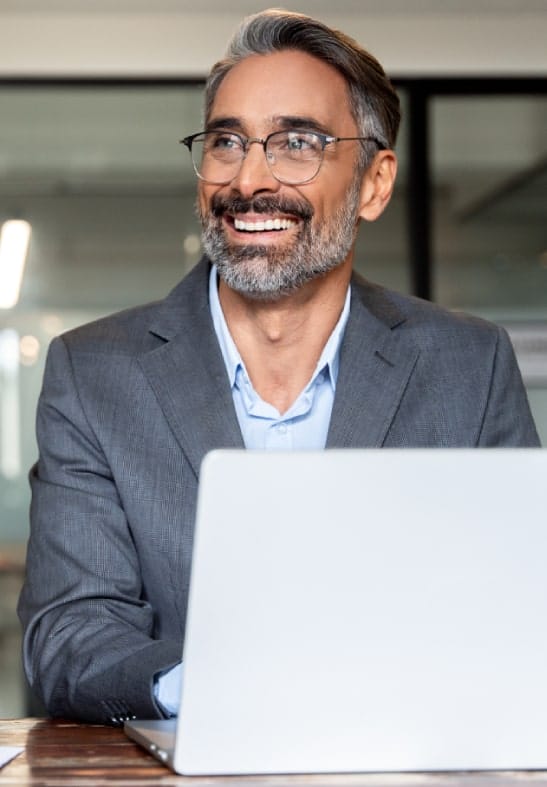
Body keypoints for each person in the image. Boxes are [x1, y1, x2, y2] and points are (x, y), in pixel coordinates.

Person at [18, 9, 539, 725]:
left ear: (373, 183)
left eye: (296, 142)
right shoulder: (93, 372)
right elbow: (68, 635)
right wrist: (221, 693)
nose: (249, 178)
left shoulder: (466, 363)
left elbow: (517, 605)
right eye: (227, 141)